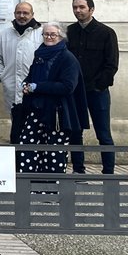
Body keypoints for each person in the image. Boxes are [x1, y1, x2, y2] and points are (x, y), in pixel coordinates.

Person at [18, 22, 88, 175]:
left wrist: (37, 87)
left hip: (58, 114)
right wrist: (25, 84)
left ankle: (52, 190)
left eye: (53, 35)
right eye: (46, 34)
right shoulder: (39, 54)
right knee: (27, 146)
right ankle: (29, 185)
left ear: (61, 37)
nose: (49, 37)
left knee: (54, 153)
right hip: (37, 110)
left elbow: (67, 86)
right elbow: (31, 76)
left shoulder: (68, 58)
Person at [67, 0, 119, 174]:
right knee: (75, 132)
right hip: (75, 92)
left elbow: (111, 64)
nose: (78, 11)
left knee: (103, 135)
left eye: (81, 7)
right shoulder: (70, 32)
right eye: (75, 7)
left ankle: (108, 173)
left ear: (91, 9)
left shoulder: (106, 33)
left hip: (97, 91)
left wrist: (99, 84)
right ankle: (78, 170)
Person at [0, 1, 43, 144]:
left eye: (25, 13)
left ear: (32, 15)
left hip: (36, 89)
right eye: (19, 13)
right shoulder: (4, 34)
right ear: (14, 14)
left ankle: (33, 161)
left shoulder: (42, 34)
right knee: (16, 127)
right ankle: (18, 161)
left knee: (36, 126)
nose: (22, 16)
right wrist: (1, 76)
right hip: (13, 88)